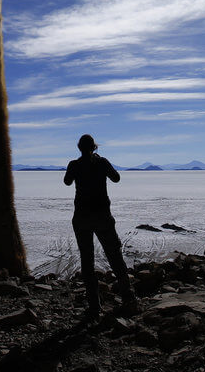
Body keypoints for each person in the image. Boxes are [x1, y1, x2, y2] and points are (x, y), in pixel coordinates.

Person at [64, 134, 138, 322]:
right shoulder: (101, 162)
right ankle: (127, 299)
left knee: (87, 261)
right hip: (102, 216)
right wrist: (100, 164)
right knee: (115, 256)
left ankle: (94, 306)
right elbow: (116, 178)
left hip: (81, 218)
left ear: (79, 147)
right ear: (94, 147)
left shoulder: (74, 164)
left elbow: (67, 181)